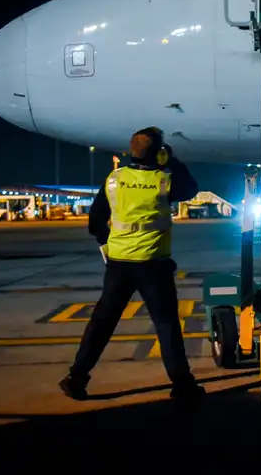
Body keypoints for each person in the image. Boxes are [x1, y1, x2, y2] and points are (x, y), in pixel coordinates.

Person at [59, 127, 204, 401]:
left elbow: (95, 223)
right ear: (159, 153)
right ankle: (183, 385)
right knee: (166, 325)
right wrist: (171, 160)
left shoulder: (114, 180)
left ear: (130, 151)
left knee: (102, 323)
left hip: (119, 265)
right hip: (152, 264)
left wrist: (109, 245)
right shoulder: (163, 181)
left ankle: (77, 377)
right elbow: (192, 188)